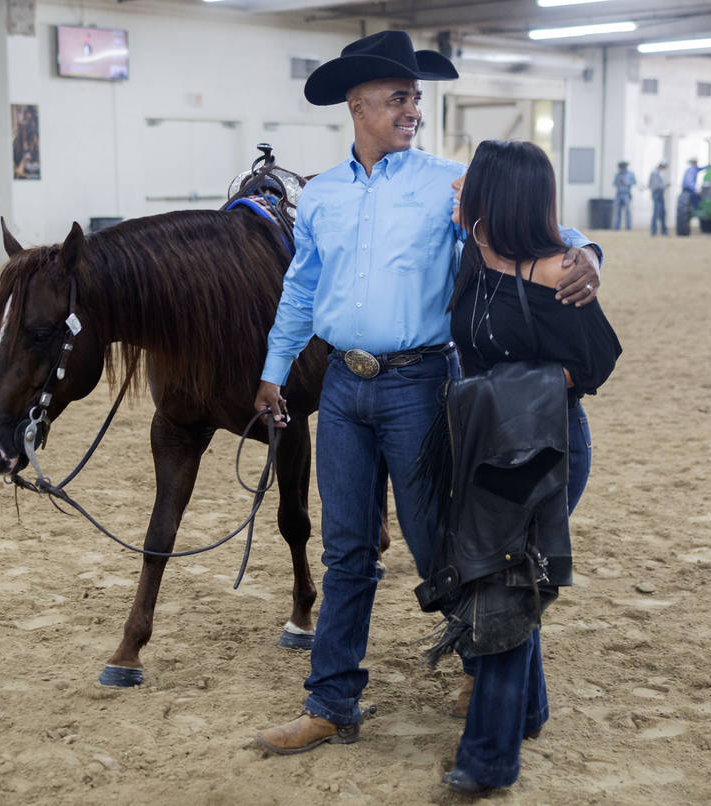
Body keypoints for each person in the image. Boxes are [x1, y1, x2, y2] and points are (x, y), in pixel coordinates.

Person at [250, 30, 603, 759]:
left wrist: (589, 255)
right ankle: (331, 702)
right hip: (342, 387)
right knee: (346, 550)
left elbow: (547, 231)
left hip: (420, 384)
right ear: (359, 104)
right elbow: (301, 286)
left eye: (417, 97)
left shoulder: (453, 184)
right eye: (400, 97)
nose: (413, 108)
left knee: (442, 545)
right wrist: (273, 369)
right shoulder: (322, 196)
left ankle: (487, 674)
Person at [427, 138, 620, 795]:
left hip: (546, 446)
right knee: (510, 582)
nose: (461, 189)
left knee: (504, 593)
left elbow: (596, 362)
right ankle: (529, 709)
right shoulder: (472, 249)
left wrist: (519, 388)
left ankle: (487, 761)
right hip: (484, 445)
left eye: (471, 181)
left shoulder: (558, 271)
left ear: (496, 194)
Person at [612, 160, 636, 230]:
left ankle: (628, 227)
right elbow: (614, 183)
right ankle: (617, 227)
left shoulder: (630, 174)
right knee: (617, 211)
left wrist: (626, 182)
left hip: (626, 194)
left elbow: (634, 182)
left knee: (627, 211)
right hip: (619, 194)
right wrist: (619, 182)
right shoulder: (617, 175)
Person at [649, 161, 668, 235]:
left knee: (662, 213)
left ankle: (663, 231)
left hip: (659, 194)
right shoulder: (655, 173)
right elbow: (656, 185)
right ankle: (654, 231)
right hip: (657, 194)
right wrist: (665, 186)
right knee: (656, 213)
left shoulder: (658, 173)